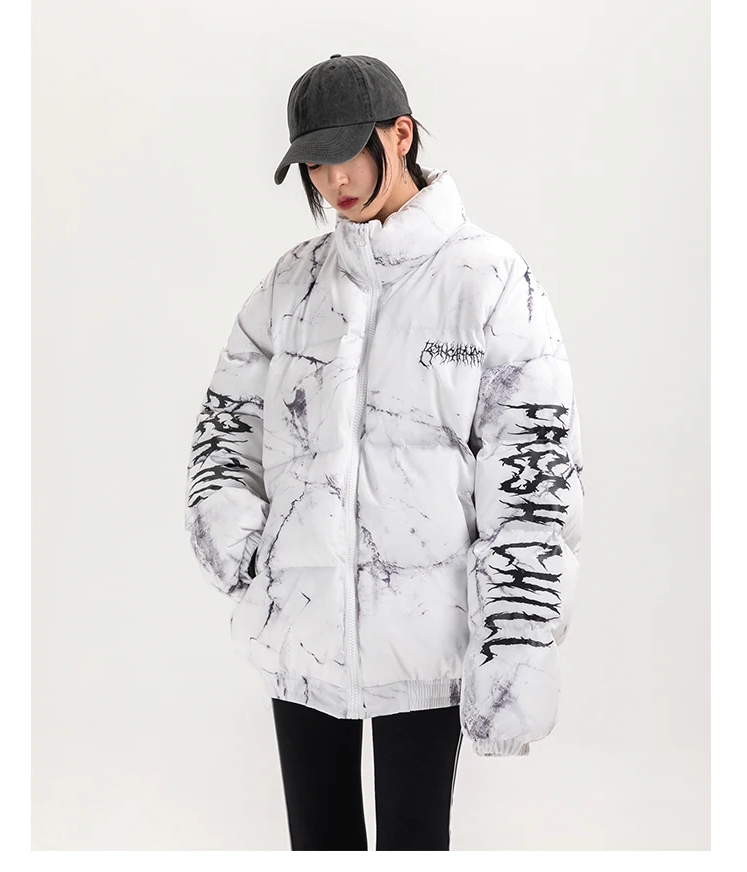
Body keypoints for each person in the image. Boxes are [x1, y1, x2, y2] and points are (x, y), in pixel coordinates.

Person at [184, 54, 584, 851]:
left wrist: (516, 640)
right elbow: (224, 428)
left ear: (400, 135)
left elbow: (532, 477)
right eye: (313, 164)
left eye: (345, 153)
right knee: (318, 844)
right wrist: (247, 552)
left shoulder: (488, 279)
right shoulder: (293, 285)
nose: (333, 180)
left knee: (413, 843)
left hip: (430, 634)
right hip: (302, 629)